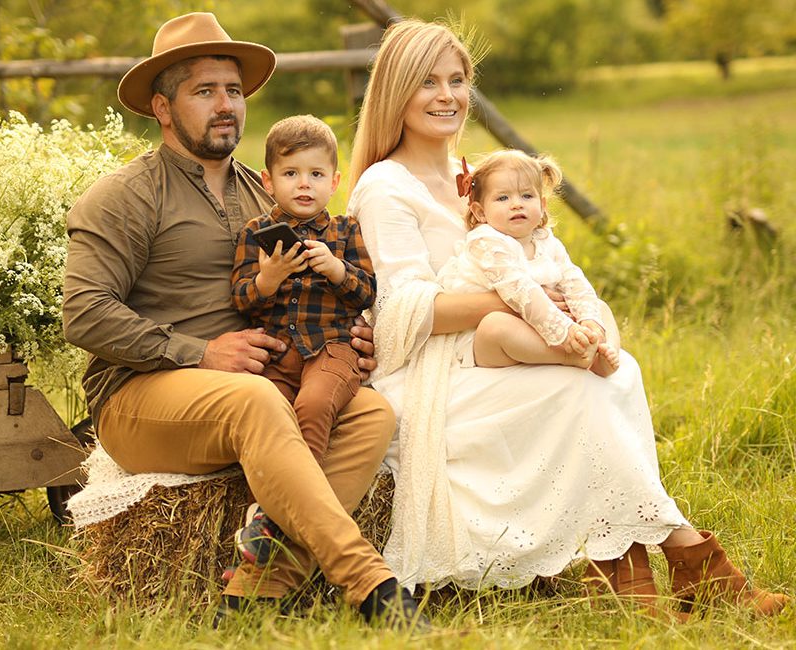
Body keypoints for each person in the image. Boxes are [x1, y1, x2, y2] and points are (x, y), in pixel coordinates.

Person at [346, 18, 788, 616]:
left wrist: (572, 311)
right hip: (433, 367)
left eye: (458, 80)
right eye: (428, 82)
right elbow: (402, 311)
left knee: (616, 370)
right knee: (576, 391)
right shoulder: (385, 185)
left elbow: (543, 259)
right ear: (397, 90)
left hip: (506, 343)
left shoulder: (474, 175)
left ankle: (628, 571)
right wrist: (514, 301)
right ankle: (693, 560)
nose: (447, 96)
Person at [62, 12, 426, 629]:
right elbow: (84, 312)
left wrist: (350, 334)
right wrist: (197, 353)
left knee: (372, 414)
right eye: (204, 91)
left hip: (270, 376)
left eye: (233, 90)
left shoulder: (268, 193)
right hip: (143, 395)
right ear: (163, 107)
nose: (225, 104)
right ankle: (371, 585)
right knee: (253, 400)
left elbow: (322, 281)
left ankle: (257, 590)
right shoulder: (124, 196)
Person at [230, 114, 376, 567]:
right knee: (268, 419)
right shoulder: (255, 234)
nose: (304, 184)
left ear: (334, 180)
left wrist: (336, 269)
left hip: (332, 349)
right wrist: (269, 279)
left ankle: (274, 520)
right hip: (277, 353)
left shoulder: (346, 232)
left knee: (313, 407)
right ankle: (280, 518)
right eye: (291, 174)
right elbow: (241, 298)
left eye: (315, 174)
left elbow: (368, 291)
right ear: (268, 181)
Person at [436, 149, 620, 376]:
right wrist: (565, 331)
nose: (516, 204)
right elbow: (520, 290)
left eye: (526, 196)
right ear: (480, 212)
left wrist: (589, 323)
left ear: (542, 205)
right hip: (482, 338)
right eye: (503, 198)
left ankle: (600, 350)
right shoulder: (485, 242)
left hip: (541, 322)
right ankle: (565, 355)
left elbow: (573, 280)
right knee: (496, 326)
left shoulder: (545, 240)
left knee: (599, 308)